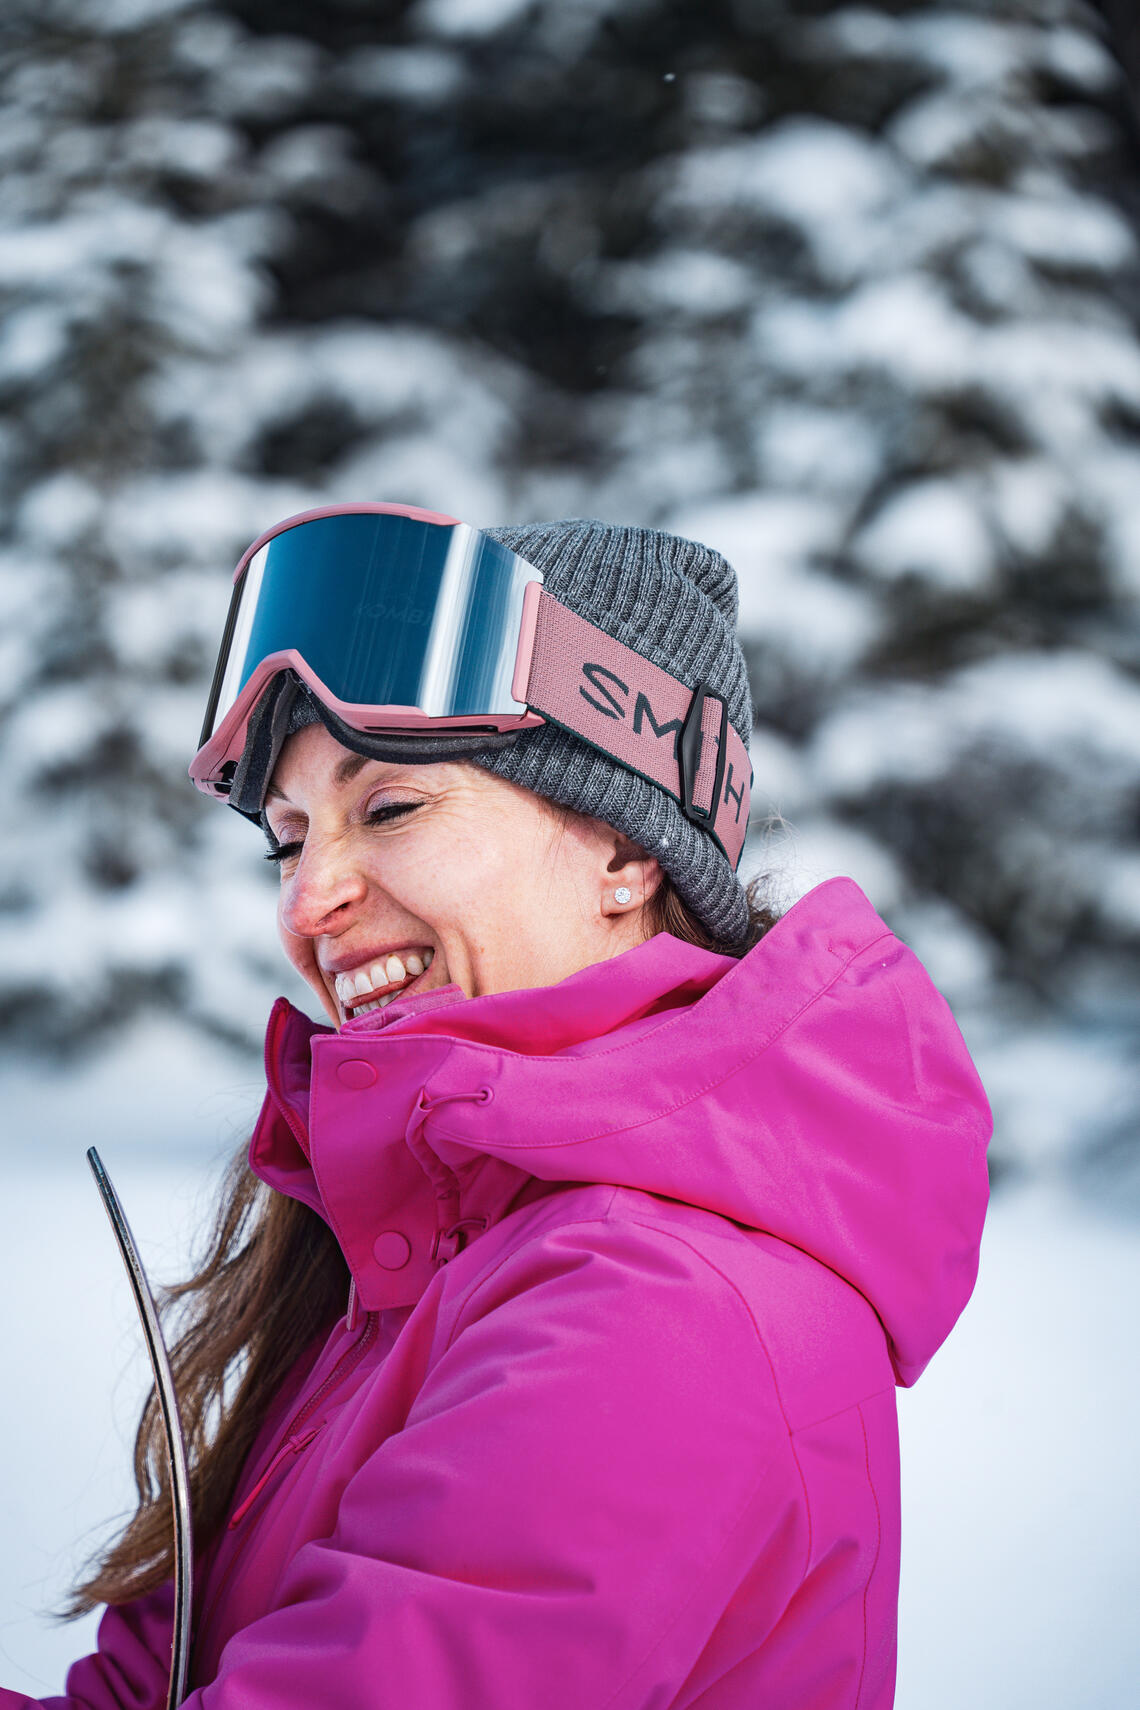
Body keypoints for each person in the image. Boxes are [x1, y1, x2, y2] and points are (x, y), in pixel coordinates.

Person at [1, 504, 991, 1710]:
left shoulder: (656, 1307)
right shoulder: (430, 1241)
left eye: (392, 809)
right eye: (289, 839)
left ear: (627, 852)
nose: (309, 901)